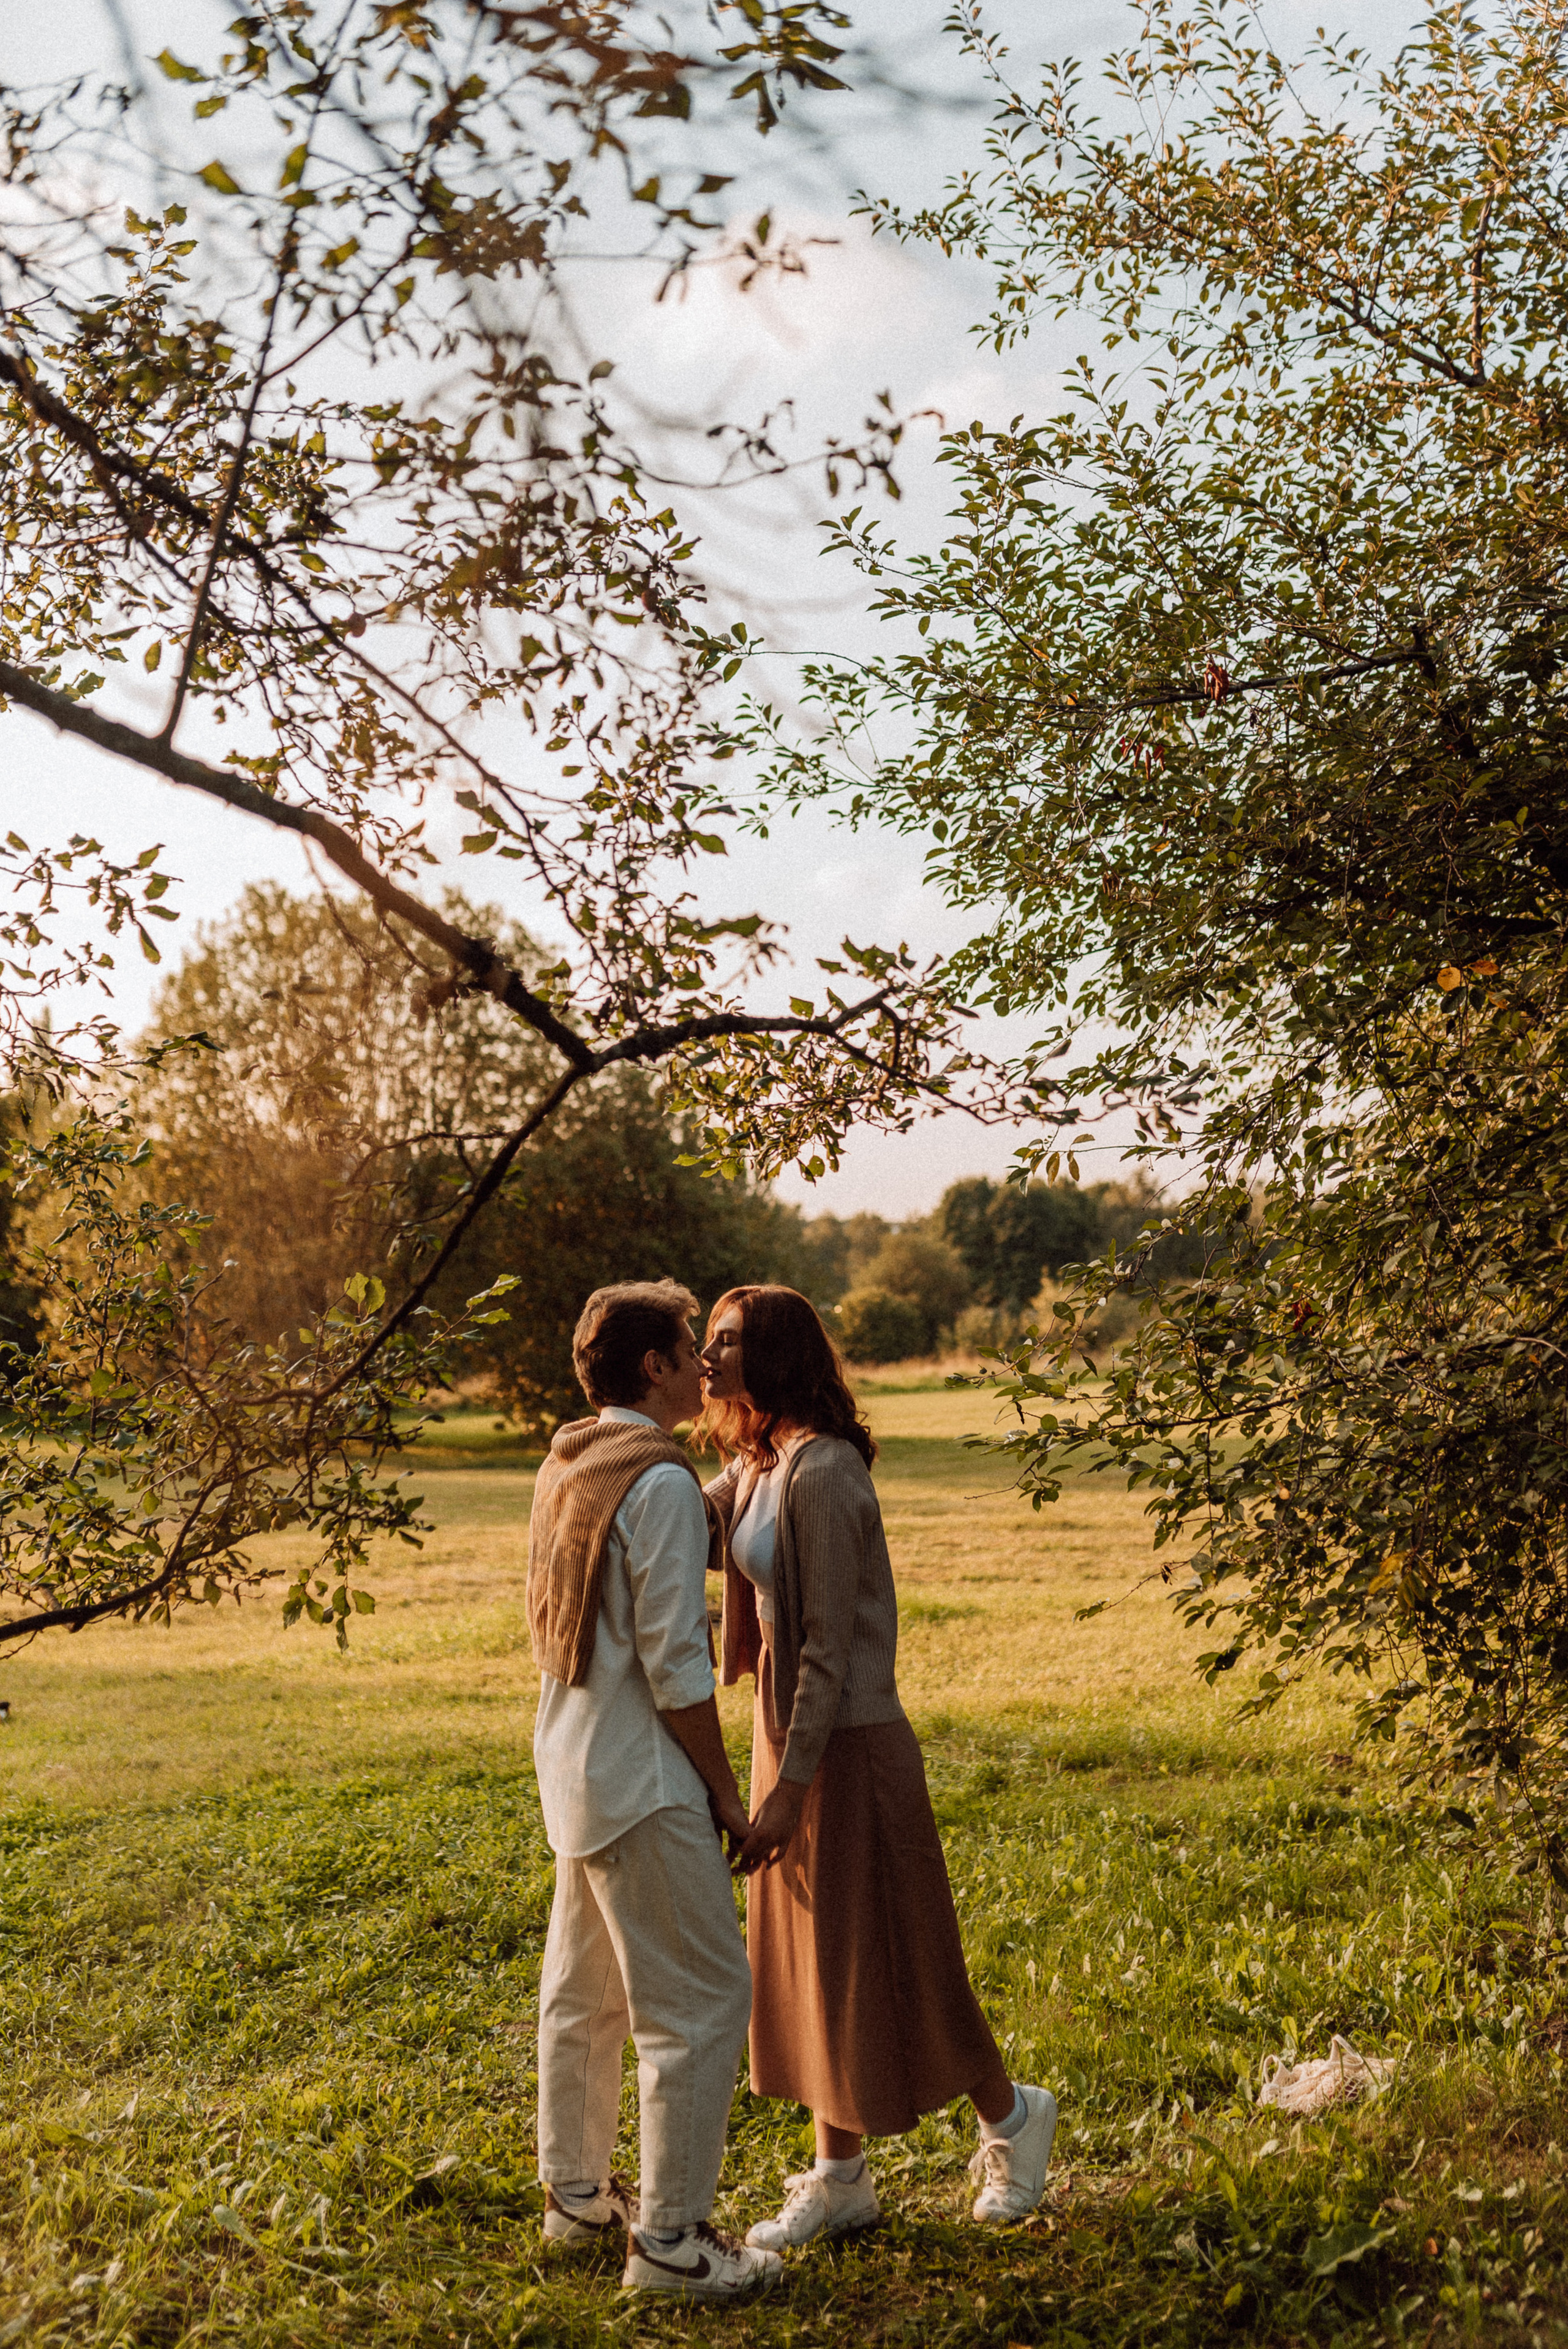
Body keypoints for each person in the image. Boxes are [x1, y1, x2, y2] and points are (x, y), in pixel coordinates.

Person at [700, 1284, 1057, 2250]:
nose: (709, 1356)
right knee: (818, 1964)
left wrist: (789, 1790)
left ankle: (1014, 2119)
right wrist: (623, 1446)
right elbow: (690, 1522)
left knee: (904, 1955)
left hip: (846, 1743)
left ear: (775, 1352)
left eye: (726, 1341)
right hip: (792, 1737)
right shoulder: (762, 1459)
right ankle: (841, 2177)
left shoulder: (822, 1472)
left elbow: (826, 1650)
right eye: (703, 1342)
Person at [527, 1278, 782, 2302]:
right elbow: (678, 1663)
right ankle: (672, 2242)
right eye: (689, 1345)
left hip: (573, 1764)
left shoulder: (571, 1458)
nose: (702, 1362)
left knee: (583, 1996)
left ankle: (576, 2196)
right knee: (702, 2001)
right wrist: (725, 1794)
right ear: (654, 1366)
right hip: (643, 1778)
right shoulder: (661, 1483)